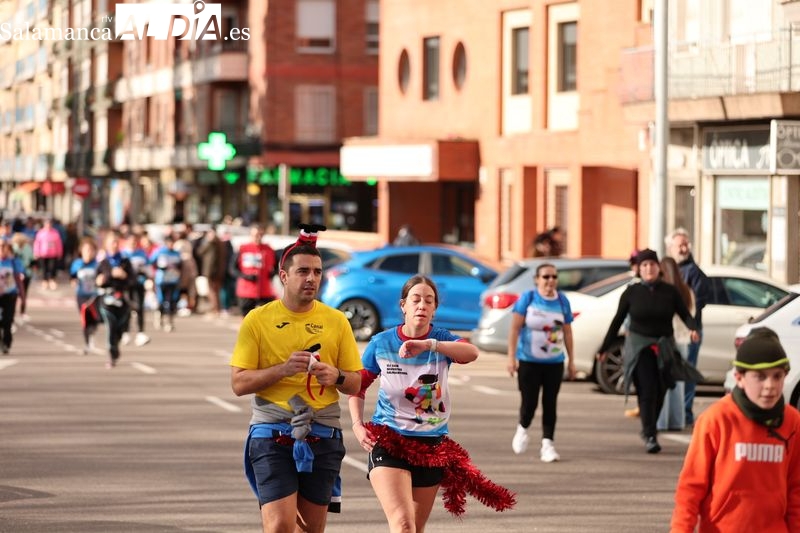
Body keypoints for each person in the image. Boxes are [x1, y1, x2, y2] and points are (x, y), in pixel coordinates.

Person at [350, 274, 516, 530]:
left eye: (429, 301)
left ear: (435, 308)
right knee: (403, 524)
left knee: (415, 528)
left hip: (431, 446)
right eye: (416, 299)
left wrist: (430, 345)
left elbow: (471, 353)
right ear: (403, 305)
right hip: (390, 441)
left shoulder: (441, 339)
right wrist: (357, 425)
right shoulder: (382, 343)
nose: (422, 305)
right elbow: (357, 387)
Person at [230, 224, 363, 533]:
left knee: (311, 528)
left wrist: (336, 376)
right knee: (279, 525)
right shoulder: (258, 319)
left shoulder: (336, 321)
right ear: (284, 275)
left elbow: (355, 383)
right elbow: (238, 384)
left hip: (323, 432)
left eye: (317, 272)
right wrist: (282, 369)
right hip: (271, 432)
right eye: (303, 271)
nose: (311, 278)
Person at [670, 328, 800, 532]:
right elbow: (691, 487)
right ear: (739, 377)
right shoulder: (717, 419)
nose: (770, 385)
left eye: (777, 376)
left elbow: (796, 489)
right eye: (760, 377)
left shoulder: (793, 421)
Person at [597, 249, 698, 454]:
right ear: (639, 269)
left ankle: (650, 427)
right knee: (647, 388)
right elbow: (617, 321)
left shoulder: (670, 292)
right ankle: (650, 433)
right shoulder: (632, 292)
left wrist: (693, 328)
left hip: (664, 346)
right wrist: (604, 348)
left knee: (661, 389)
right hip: (640, 347)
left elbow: (684, 314)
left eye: (652, 264)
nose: (649, 268)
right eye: (644, 265)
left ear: (658, 267)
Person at [507, 263, 576, 462]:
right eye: (546, 277)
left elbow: (568, 332)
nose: (550, 280)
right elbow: (514, 329)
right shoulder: (528, 298)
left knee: (550, 403)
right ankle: (523, 427)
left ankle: (548, 445)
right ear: (537, 279)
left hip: (554, 362)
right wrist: (511, 357)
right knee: (529, 402)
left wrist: (571, 361)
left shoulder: (562, 300)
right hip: (529, 361)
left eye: (554, 276)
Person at [666, 228, 710, 427]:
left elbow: (697, 304)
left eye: (686, 245)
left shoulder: (693, 272)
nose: (683, 249)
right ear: (670, 248)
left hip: (690, 331)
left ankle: (685, 413)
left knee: (687, 373)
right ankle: (675, 413)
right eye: (679, 245)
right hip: (673, 331)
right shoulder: (669, 270)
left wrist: (692, 328)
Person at [656, 257, 695, 432]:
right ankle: (677, 421)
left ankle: (662, 422)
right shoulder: (687, 291)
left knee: (663, 382)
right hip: (683, 341)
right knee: (678, 383)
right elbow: (691, 314)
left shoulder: (664, 292)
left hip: (667, 340)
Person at [95, 231, 135, 369]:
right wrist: (102, 279)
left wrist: (124, 276)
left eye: (117, 242)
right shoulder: (103, 263)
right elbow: (97, 280)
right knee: (111, 326)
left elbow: (133, 280)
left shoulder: (125, 261)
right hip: (107, 300)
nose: (115, 245)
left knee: (120, 328)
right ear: (106, 244)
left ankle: (115, 346)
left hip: (122, 299)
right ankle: (111, 355)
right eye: (112, 242)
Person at [231, 224, 277, 317]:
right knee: (247, 319)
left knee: (266, 319)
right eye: (256, 235)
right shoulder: (243, 249)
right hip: (246, 291)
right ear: (251, 235)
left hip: (265, 291)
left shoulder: (269, 249)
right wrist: (245, 276)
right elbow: (232, 269)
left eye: (261, 234)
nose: (258, 237)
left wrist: (273, 273)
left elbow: (277, 266)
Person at [69, 237, 100, 355]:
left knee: (96, 319)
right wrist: (73, 281)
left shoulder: (97, 264)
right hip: (82, 295)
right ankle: (87, 343)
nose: (89, 253)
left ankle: (93, 331)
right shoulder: (77, 264)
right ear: (81, 251)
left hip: (95, 295)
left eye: (91, 250)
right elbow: (72, 276)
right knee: (85, 318)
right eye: (86, 250)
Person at [121, 231, 152, 346]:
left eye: (135, 241)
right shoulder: (123, 254)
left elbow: (148, 268)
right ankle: (125, 332)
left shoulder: (141, 254)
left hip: (139, 284)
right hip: (126, 285)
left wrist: (148, 277)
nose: (133, 243)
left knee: (139, 308)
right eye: (130, 241)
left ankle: (140, 333)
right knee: (126, 308)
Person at [148, 233, 183, 333]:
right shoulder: (159, 252)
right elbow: (151, 261)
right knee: (161, 300)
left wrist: (177, 270)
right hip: (161, 280)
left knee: (172, 301)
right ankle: (159, 318)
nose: (171, 245)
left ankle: (170, 322)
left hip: (173, 280)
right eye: (169, 243)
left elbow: (180, 265)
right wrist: (158, 269)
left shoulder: (176, 253)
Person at [0, 241, 25, 354]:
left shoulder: (13, 262)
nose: (1, 249)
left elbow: (18, 279)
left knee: (8, 320)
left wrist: (23, 296)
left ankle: (7, 342)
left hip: (10, 295)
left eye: (3, 247)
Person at [33, 218, 64, 291]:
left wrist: (59, 252)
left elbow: (59, 243)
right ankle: (45, 280)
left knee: (52, 268)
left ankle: (52, 280)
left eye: (49, 223)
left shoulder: (55, 232)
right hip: (43, 254)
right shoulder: (40, 233)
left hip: (53, 254)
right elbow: (37, 243)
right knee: (44, 268)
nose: (48, 225)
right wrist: (36, 252)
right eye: (47, 223)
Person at [10, 232, 33, 322]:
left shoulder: (24, 248)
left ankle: (17, 313)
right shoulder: (16, 248)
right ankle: (20, 313)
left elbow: (31, 259)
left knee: (19, 294)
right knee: (21, 294)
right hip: (21, 273)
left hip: (21, 273)